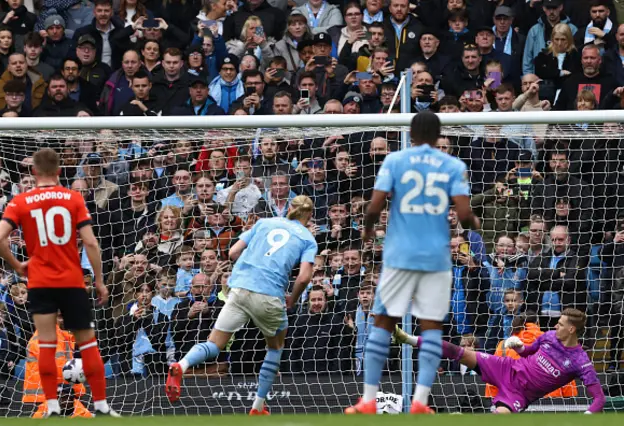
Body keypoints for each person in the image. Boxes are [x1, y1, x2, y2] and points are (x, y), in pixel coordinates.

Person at [345, 110, 480, 415]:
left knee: (382, 321)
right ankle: (420, 401)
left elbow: (375, 205)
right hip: (436, 257)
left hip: (400, 254)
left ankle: (367, 400)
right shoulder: (453, 165)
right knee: (431, 327)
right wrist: (473, 222)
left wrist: (367, 230)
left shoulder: (395, 161)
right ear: (437, 135)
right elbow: (463, 214)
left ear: (411, 133)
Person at [0, 148, 119, 418]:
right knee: (86, 343)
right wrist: (98, 280)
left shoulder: (21, 200)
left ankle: (50, 403)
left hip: (40, 281)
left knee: (47, 343)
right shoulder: (72, 198)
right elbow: (91, 242)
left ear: (34, 172)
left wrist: (17, 265)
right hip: (71, 279)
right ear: (59, 171)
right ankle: (101, 405)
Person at [165, 195, 318, 415]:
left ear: (289, 210)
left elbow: (233, 252)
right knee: (275, 348)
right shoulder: (308, 239)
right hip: (269, 294)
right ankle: (257, 406)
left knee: (214, 344)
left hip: (239, 289)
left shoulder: (264, 222)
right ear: (310, 215)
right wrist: (292, 299)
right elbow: (303, 278)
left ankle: (182, 365)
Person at [397, 308, 605, 414]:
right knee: (458, 351)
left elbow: (599, 399)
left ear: (571, 329)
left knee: (499, 417)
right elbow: (527, 352)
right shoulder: (549, 336)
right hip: (507, 368)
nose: (555, 326)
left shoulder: (581, 361)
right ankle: (409, 338)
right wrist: (519, 346)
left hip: (519, 394)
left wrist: (586, 416)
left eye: (560, 324)